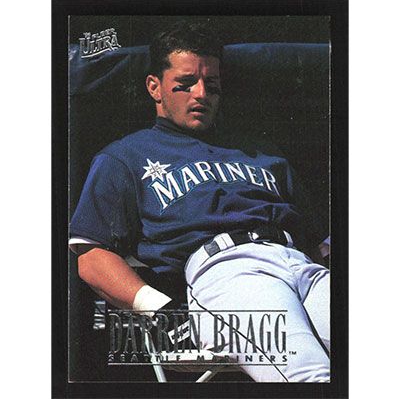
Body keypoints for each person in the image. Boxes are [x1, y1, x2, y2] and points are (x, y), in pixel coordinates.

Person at [69, 21, 330, 382]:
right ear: (154, 87)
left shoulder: (263, 152)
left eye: (213, 84)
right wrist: (160, 310)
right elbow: (90, 255)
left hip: (303, 266)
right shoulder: (124, 157)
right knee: (310, 376)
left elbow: (318, 240)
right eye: (186, 83)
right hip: (229, 273)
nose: (202, 94)